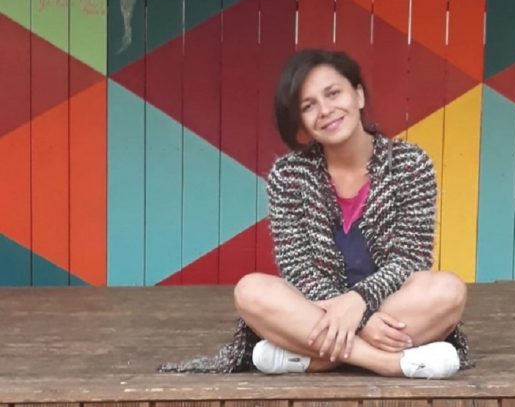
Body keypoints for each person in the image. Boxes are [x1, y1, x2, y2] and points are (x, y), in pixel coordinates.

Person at [158, 49, 471, 379]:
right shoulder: (289, 174)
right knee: (250, 291)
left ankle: (313, 358)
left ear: (359, 95)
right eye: (308, 106)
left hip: (390, 306)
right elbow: (298, 269)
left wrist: (359, 304)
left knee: (448, 290)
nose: (325, 111)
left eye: (333, 94)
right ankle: (385, 362)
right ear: (301, 122)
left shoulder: (409, 164)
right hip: (318, 307)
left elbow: (410, 260)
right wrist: (357, 320)